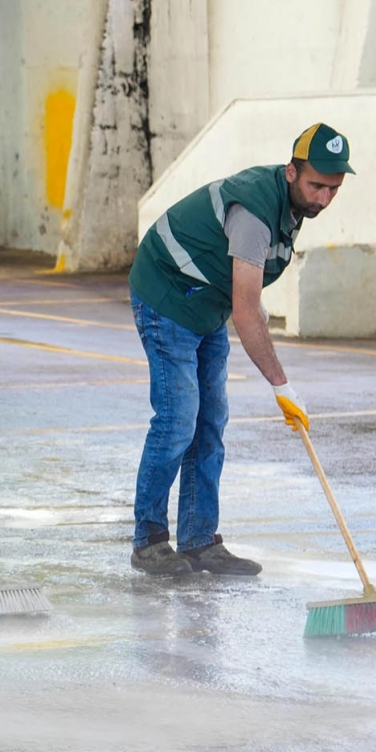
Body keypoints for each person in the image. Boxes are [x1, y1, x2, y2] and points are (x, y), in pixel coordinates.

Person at [127, 124, 350, 577]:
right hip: (167, 293)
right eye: (316, 186)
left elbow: (247, 285)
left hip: (207, 302)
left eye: (333, 189)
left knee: (210, 422)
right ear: (291, 172)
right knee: (177, 420)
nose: (324, 199)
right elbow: (245, 313)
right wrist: (281, 385)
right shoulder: (254, 210)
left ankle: (199, 541)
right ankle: (149, 541)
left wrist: (254, 307)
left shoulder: (291, 206)